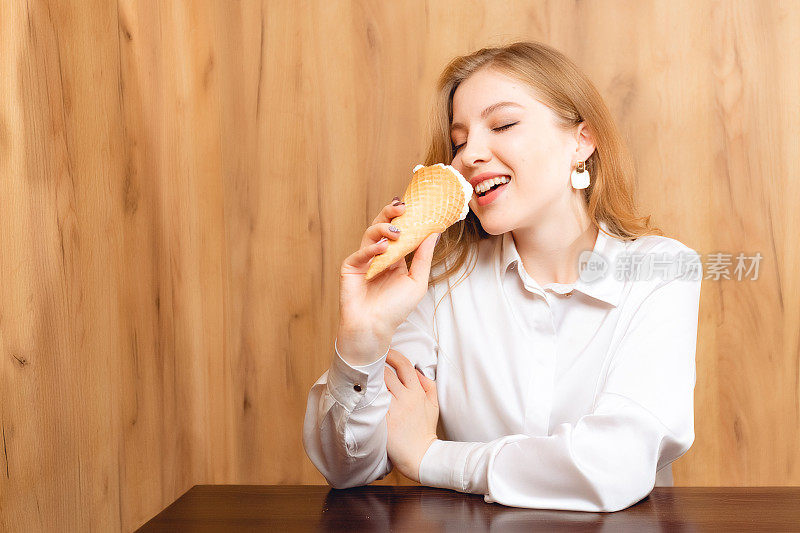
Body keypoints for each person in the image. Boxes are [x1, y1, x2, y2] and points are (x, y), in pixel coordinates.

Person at [302, 41, 703, 512]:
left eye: (503, 124)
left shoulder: (662, 272)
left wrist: (432, 457)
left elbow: (614, 465)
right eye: (458, 140)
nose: (469, 154)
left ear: (582, 140)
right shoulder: (438, 283)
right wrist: (362, 340)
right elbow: (347, 470)